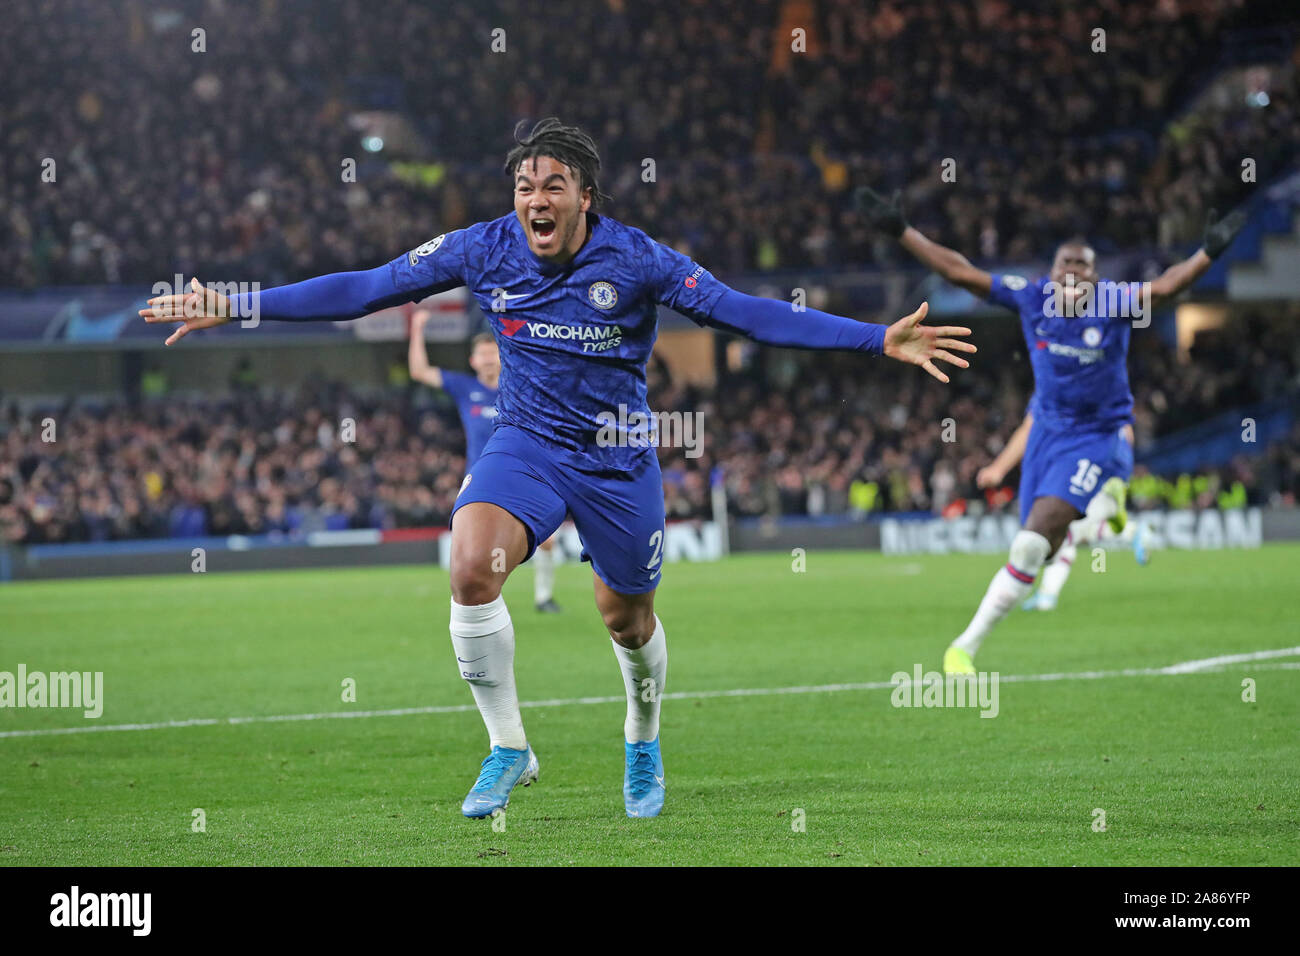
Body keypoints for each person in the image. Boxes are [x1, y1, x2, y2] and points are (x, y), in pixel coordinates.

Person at [144, 118, 975, 819]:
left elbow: (747, 315)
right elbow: (367, 287)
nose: (535, 201)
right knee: (469, 566)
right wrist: (238, 303)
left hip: (616, 458)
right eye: (524, 186)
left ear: (586, 196)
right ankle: (510, 748)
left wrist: (875, 337)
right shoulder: (483, 248)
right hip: (527, 444)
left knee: (625, 619)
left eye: (553, 186)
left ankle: (642, 737)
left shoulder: (639, 260)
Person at [855, 185, 1244, 673]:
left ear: (1095, 277)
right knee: (1045, 547)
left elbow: (1165, 289)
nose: (1072, 273)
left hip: (1098, 438)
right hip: (1045, 436)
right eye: (1065, 265)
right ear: (1052, 272)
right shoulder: (1031, 297)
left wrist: (1207, 253)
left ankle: (963, 648)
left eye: (1082, 266)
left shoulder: (1116, 303)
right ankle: (1110, 512)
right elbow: (960, 271)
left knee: (1031, 541)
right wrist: (902, 231)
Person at [409, 318, 561, 612]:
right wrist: (417, 330)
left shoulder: (519, 387)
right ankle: (469, 598)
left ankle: (544, 598)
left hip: (522, 472)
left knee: (548, 541)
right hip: (479, 478)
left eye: (494, 353)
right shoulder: (464, 387)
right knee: (472, 544)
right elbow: (419, 371)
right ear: (473, 360)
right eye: (483, 354)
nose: (489, 359)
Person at [975, 401, 1149, 613]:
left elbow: (1028, 429)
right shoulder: (1102, 386)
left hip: (1073, 468)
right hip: (1091, 467)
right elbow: (1125, 431)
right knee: (1069, 532)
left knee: (1062, 533)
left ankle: (1047, 596)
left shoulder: (1057, 388)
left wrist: (998, 468)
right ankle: (1129, 531)